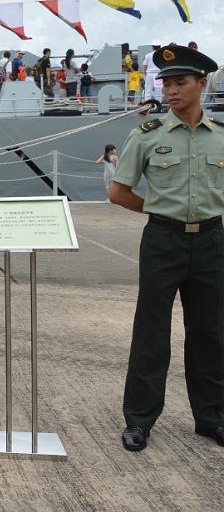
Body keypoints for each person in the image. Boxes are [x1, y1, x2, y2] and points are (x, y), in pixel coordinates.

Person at [109, 43, 224, 452]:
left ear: (201, 84)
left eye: (180, 83)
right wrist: (159, 209)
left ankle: (212, 418)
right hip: (163, 240)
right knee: (152, 331)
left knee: (211, 332)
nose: (171, 91)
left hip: (212, 241)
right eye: (167, 84)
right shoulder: (146, 136)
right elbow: (118, 192)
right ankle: (139, 420)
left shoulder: (221, 137)